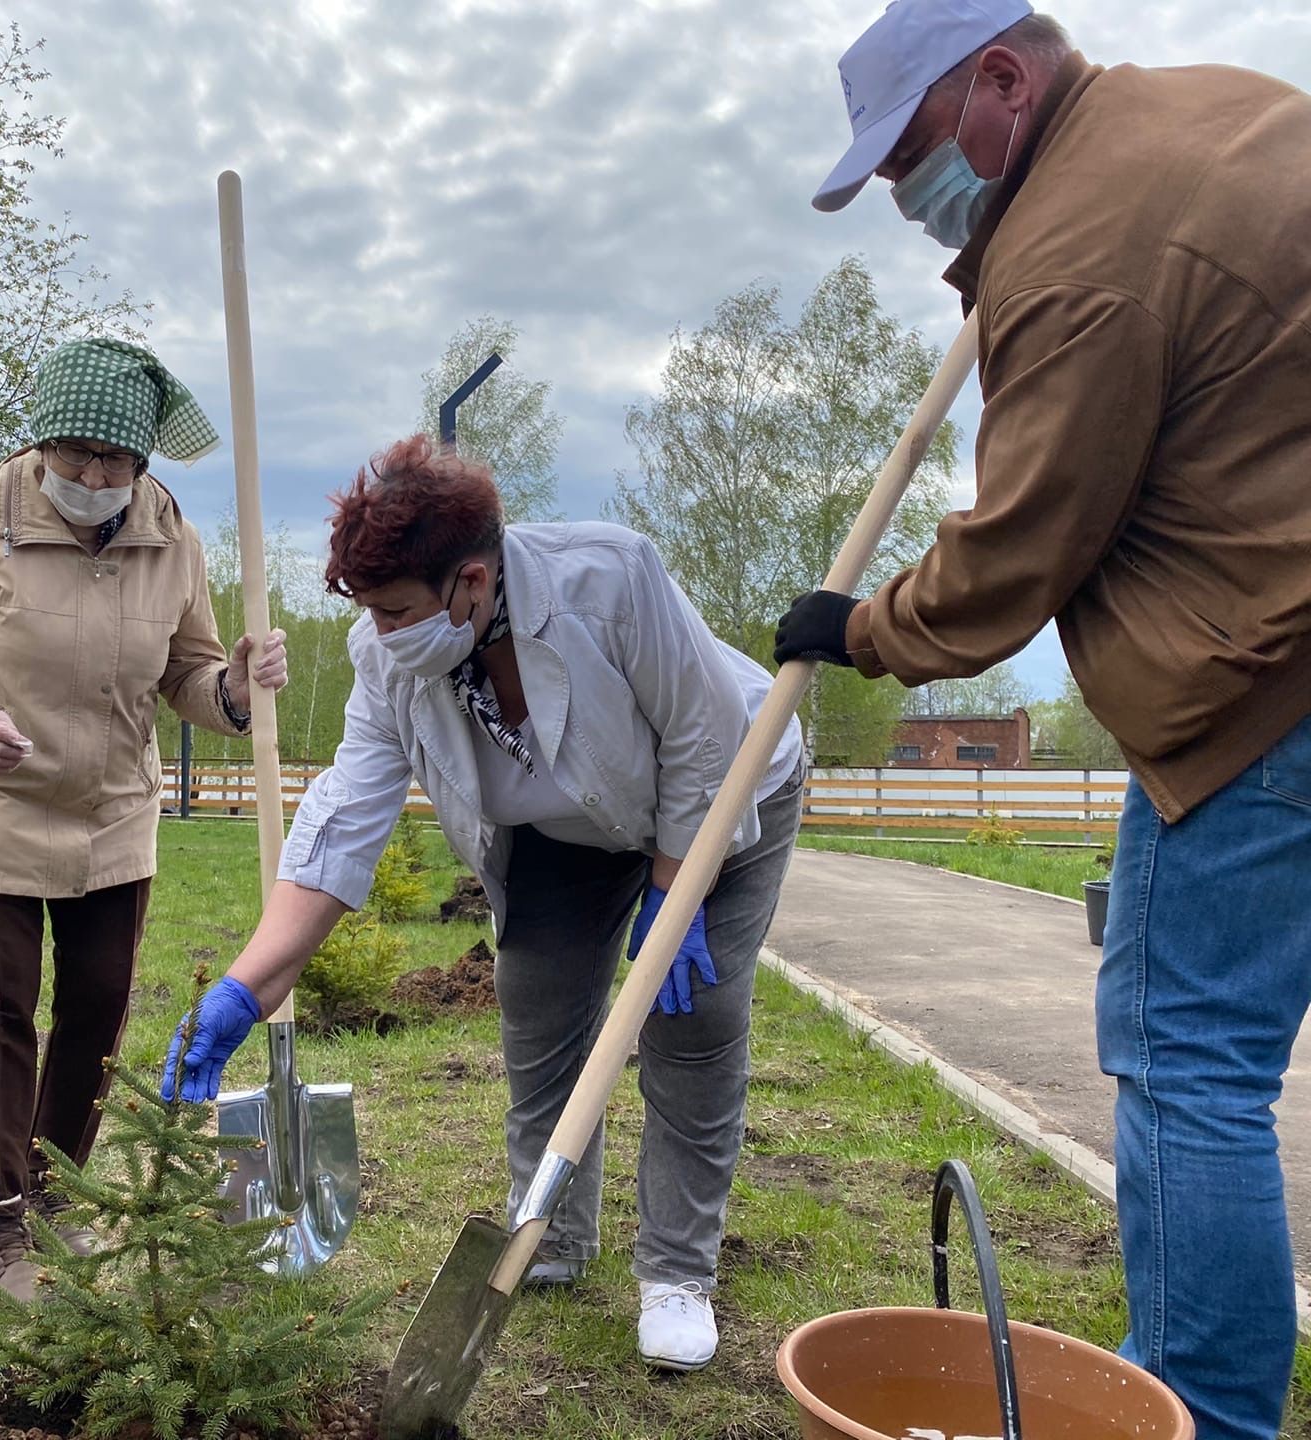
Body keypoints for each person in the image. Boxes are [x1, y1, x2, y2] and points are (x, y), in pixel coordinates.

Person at [790, 5, 1311, 1436]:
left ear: (1004, 83)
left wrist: (859, 631)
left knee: (1188, 1060)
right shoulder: (1215, 111)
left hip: (1267, 690)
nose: (907, 204)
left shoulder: (1082, 251)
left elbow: (1015, 558)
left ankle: (1200, 1417)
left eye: (909, 166)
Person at [162, 436, 804, 1372]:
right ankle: (546, 1237)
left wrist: (675, 895)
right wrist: (244, 988)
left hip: (723, 793)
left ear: (472, 580)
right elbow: (345, 820)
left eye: (395, 609)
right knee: (539, 1009)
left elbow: (705, 744)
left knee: (692, 1017)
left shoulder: (612, 578)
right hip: (561, 834)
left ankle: (676, 1273)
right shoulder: (384, 657)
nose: (380, 633)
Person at [0, 338, 288, 1304]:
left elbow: (186, 673)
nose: (96, 478)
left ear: (144, 461)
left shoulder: (170, 535)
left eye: (118, 462)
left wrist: (231, 686)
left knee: (98, 1003)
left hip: (113, 812)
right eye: (76, 456)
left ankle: (54, 1198)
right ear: (42, 442)